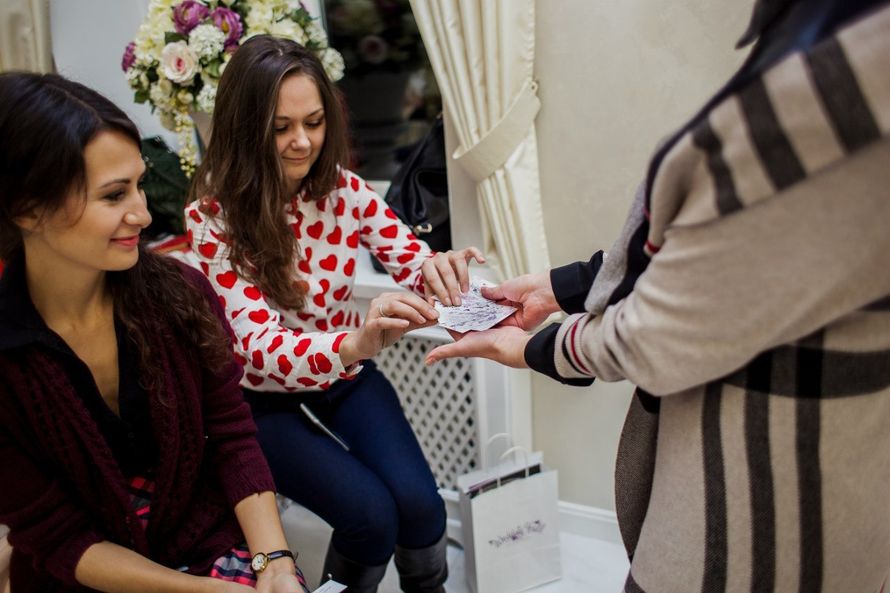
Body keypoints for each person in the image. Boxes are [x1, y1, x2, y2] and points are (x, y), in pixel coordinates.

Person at [426, 1, 890, 591]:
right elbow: (729, 259)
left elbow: (654, 338)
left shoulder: (840, 85)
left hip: (764, 493)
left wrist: (531, 349)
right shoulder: (829, 38)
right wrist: (558, 287)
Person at [186, 35, 482, 593]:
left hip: (345, 375)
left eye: (315, 122)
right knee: (370, 519)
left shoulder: (345, 191)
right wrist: (354, 345)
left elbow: (409, 258)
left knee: (422, 510)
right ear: (244, 129)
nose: (302, 142)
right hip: (260, 399)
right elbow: (259, 346)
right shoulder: (212, 219)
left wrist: (442, 271)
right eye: (280, 128)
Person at [0, 72, 308, 593]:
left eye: (139, 185)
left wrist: (274, 563)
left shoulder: (180, 295)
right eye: (115, 195)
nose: (143, 213)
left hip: (206, 540)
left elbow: (233, 438)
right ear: (28, 209)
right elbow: (56, 536)